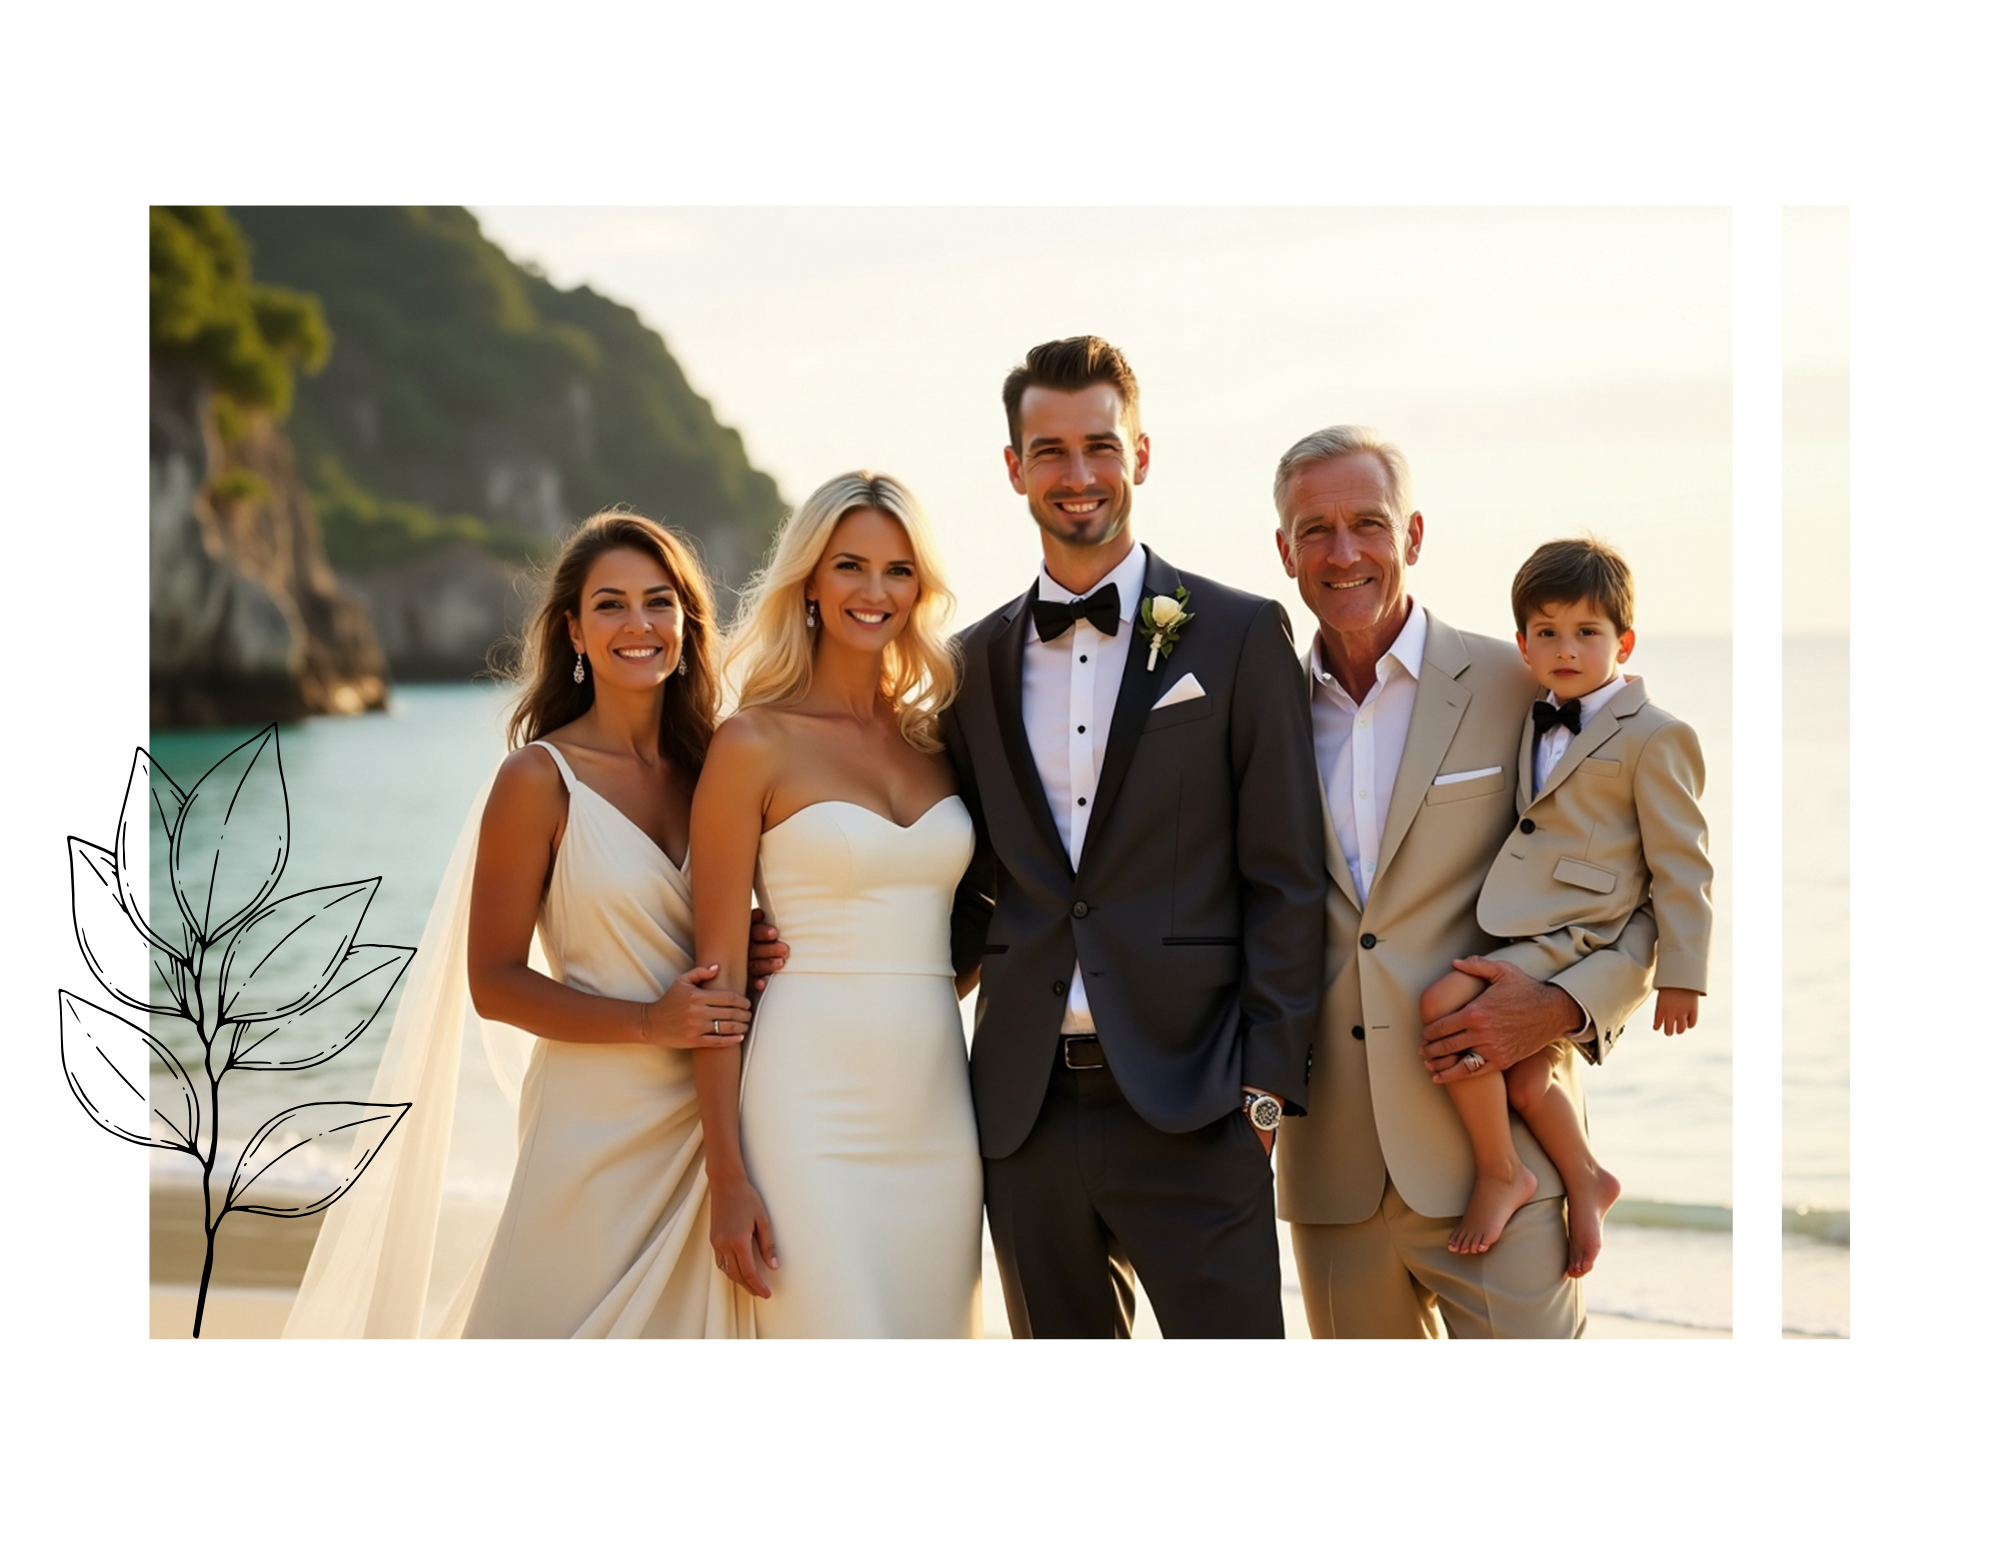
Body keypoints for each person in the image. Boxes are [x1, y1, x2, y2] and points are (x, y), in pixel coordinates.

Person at [284, 510, 786, 1338]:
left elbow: (713, 939)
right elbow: (494, 983)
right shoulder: (539, 778)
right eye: (611, 605)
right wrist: (651, 1020)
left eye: (658, 602)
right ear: (574, 632)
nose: (638, 624)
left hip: (713, 1122)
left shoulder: (717, 768)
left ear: (687, 624)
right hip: (590, 1130)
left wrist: (751, 950)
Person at [942, 336, 1326, 1338]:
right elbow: (966, 886)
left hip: (1199, 1106)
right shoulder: (969, 666)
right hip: (1023, 1117)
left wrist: (1265, 1093)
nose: (1077, 474)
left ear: (1140, 455)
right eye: (1050, 450)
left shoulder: (1238, 636)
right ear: (1014, 467)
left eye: (1100, 446)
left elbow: (1286, 878)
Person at [1269, 427, 1661, 1339]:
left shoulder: (1522, 681)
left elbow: (1640, 891)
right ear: (1284, 551)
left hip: (1504, 1160)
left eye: (1369, 523)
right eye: (1315, 529)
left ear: (1412, 534)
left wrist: (1561, 1006)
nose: (1344, 551)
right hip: (1333, 1175)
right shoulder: (1262, 709)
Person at [692, 471, 983, 1337]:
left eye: (898, 570)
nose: (874, 590)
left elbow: (971, 929)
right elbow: (715, 984)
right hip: (806, 1110)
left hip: (938, 1107)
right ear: (810, 580)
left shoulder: (939, 740)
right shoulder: (752, 742)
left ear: (920, 587)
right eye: (850, 565)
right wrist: (725, 1174)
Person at [1416, 537, 1712, 1275]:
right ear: (1522, 645)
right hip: (1526, 925)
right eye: (1546, 632)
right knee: (1524, 1079)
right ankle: (1588, 1178)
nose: (1566, 649)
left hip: (1583, 932)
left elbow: (1682, 865)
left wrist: (1683, 974)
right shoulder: (1530, 718)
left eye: (1586, 632)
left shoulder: (1656, 734)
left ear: (1624, 642)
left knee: (1443, 1003)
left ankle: (1501, 1171)